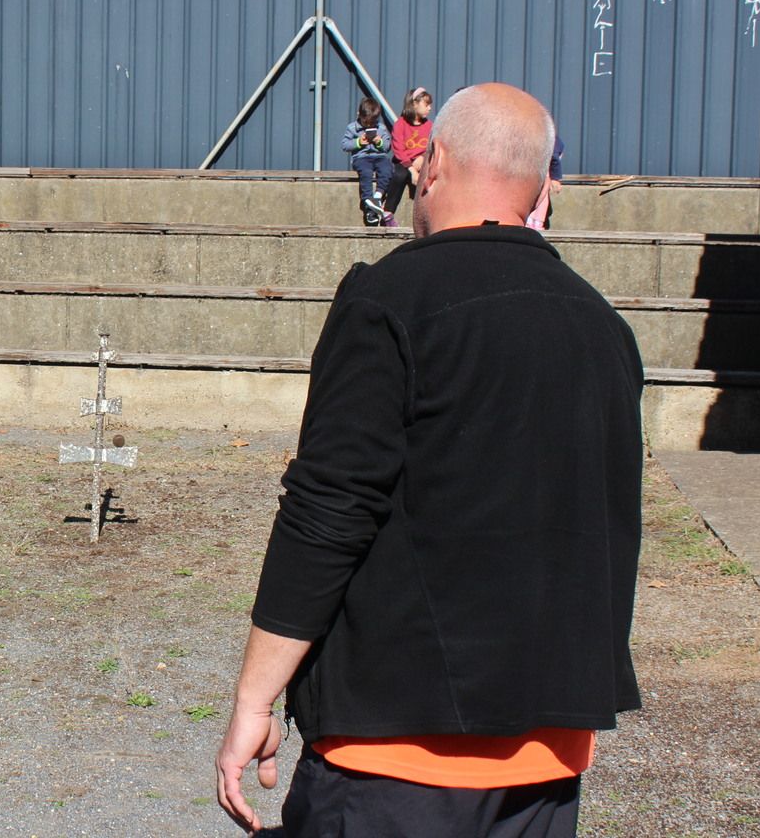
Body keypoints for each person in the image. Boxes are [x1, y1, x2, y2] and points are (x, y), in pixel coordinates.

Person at [215, 84, 643, 837]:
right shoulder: (601, 328)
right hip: (546, 759)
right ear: (543, 187)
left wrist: (254, 700)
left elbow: (328, 508)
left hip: (394, 754)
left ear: (432, 162)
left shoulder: (390, 301)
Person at [379, 86, 434, 225]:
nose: (430, 108)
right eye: (426, 104)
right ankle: (388, 212)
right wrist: (411, 169)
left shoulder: (430, 126)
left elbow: (431, 146)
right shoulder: (400, 124)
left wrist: (422, 157)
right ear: (414, 104)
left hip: (422, 161)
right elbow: (398, 149)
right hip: (404, 162)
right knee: (399, 175)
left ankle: (430, 215)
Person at [341, 98, 392, 226]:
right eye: (366, 122)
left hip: (379, 156)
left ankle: (377, 197)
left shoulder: (381, 128)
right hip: (361, 158)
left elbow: (387, 146)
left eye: (372, 122)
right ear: (359, 114)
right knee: (366, 172)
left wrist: (379, 142)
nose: (369, 126)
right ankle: (368, 201)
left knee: (387, 169)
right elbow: (345, 145)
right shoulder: (352, 128)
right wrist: (358, 143)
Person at [527, 135, 567, 230]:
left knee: (539, 197)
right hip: (534, 171)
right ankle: (533, 223)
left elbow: (554, 157)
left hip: (539, 171)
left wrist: (555, 178)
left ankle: (534, 224)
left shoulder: (549, 139)